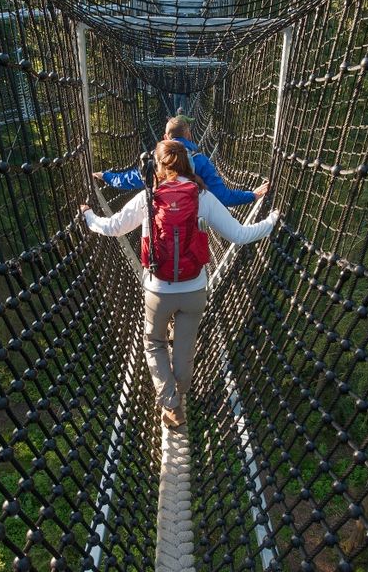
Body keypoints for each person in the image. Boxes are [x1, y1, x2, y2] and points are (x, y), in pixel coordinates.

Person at [80, 140, 279, 428]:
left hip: (157, 290)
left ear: (157, 166)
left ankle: (172, 406)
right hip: (194, 290)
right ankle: (180, 392)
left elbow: (112, 227)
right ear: (188, 163)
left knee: (154, 344)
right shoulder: (203, 196)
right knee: (185, 346)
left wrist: (88, 215)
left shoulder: (148, 196)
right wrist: (271, 221)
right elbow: (239, 234)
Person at [92, 115, 269, 207]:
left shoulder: (156, 161)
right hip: (191, 226)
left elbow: (128, 180)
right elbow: (223, 198)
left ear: (165, 137)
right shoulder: (200, 161)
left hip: (162, 230)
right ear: (189, 135)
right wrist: (252, 195)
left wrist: (105, 176)